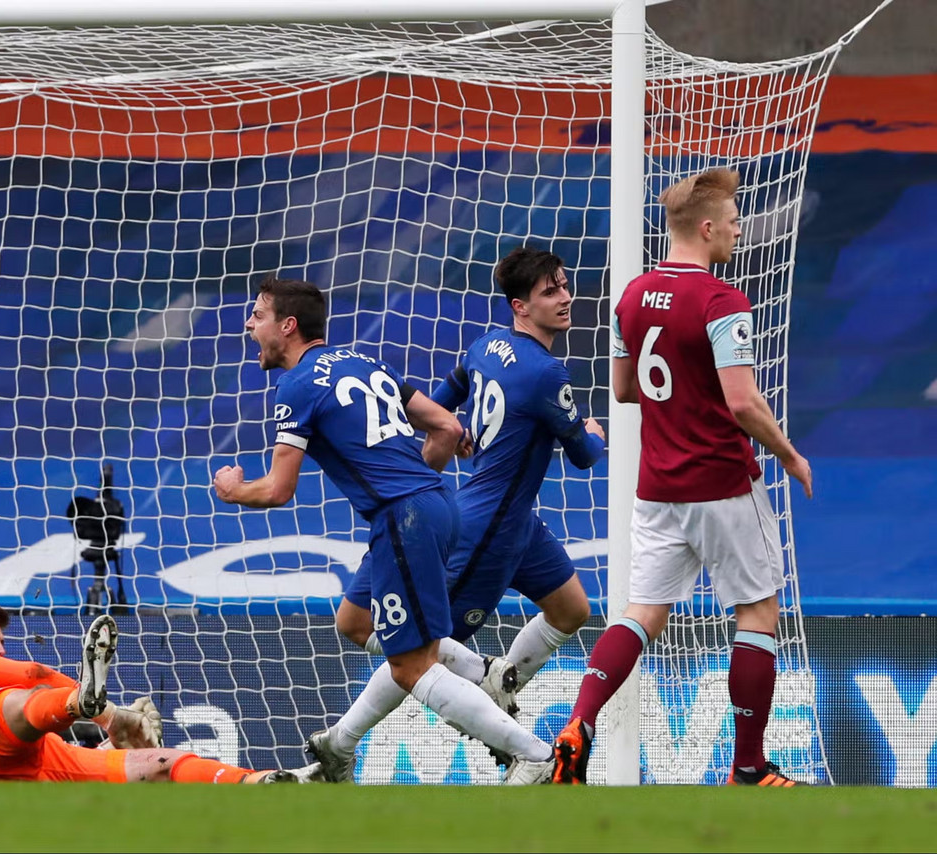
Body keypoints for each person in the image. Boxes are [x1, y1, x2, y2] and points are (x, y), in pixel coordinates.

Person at [214, 275, 557, 785]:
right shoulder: (361, 361)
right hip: (426, 504)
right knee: (353, 620)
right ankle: (477, 673)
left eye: (258, 315)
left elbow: (278, 490)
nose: (249, 323)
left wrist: (233, 488)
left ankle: (536, 755)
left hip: (405, 515)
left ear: (287, 327)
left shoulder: (296, 385)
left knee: (409, 668)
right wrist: (414, 483)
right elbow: (447, 426)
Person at [551, 167, 815, 787]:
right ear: (705, 227)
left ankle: (579, 722)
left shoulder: (632, 295)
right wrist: (787, 453)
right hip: (721, 481)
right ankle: (748, 767)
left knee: (640, 612)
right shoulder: (722, 301)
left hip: (657, 485)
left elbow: (622, 389)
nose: (738, 230)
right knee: (757, 612)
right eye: (731, 222)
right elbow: (744, 403)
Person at [304, 249, 607, 782]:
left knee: (571, 609)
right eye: (550, 292)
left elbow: (447, 396)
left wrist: (451, 429)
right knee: (419, 655)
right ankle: (348, 741)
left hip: (513, 519)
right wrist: (597, 437)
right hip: (489, 532)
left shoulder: (486, 344)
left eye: (563, 286)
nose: (564, 298)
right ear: (520, 305)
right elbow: (583, 456)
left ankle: (500, 684)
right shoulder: (546, 372)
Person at [0, 600, 318, 783]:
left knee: (158, 762)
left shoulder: (6, 698)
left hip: (28, 763)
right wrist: (109, 716)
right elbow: (31, 673)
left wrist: (110, 744)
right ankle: (82, 701)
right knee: (13, 701)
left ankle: (260, 781)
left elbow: (41, 716)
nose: (0, 647)